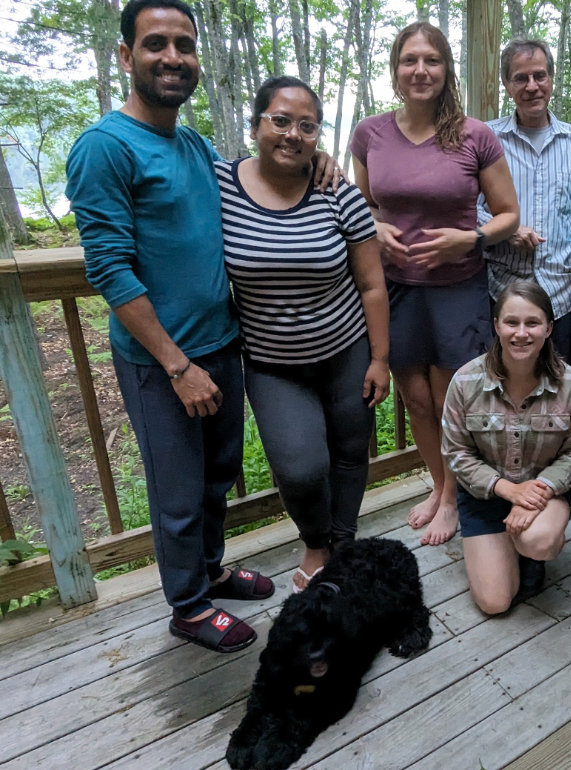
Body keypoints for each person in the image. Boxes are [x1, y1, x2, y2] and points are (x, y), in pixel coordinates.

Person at [65, 0, 282, 653]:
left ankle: (210, 571)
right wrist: (177, 364)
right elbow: (110, 269)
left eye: (184, 45)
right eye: (155, 44)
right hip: (164, 363)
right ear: (126, 57)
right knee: (179, 490)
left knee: (218, 474)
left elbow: (245, 193)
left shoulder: (193, 144)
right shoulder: (104, 148)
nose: (173, 58)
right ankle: (187, 606)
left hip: (221, 345)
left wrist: (316, 166)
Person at [216, 77, 389, 593]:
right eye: (281, 120)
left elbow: (372, 285)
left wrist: (379, 359)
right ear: (255, 126)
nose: (293, 133)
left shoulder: (337, 192)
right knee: (300, 469)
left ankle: (345, 541)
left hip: (346, 352)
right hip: (272, 365)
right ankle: (317, 540)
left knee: (351, 452)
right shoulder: (220, 185)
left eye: (307, 125)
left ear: (318, 135)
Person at [351, 22, 520, 547]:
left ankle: (454, 497)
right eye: (409, 60)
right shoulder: (369, 133)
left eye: (432, 60)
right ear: (396, 71)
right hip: (394, 288)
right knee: (416, 400)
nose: (420, 70)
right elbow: (361, 207)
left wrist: (468, 238)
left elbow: (509, 216)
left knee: (451, 399)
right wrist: (374, 228)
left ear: (447, 71)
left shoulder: (474, 135)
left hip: (457, 287)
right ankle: (438, 485)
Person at [441, 281, 571, 612]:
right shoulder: (465, 382)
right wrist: (509, 491)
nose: (521, 333)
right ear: (496, 325)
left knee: (538, 541)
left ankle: (530, 554)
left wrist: (534, 494)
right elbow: (456, 453)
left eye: (532, 323)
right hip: (485, 495)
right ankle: (502, 548)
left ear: (549, 328)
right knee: (495, 603)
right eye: (511, 322)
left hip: (543, 494)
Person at [479, 39, 571, 363]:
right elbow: (465, 209)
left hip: (561, 296)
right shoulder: (487, 138)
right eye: (520, 78)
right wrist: (505, 228)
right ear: (506, 84)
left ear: (552, 80)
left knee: (557, 393)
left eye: (540, 76)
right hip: (502, 295)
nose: (532, 87)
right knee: (503, 391)